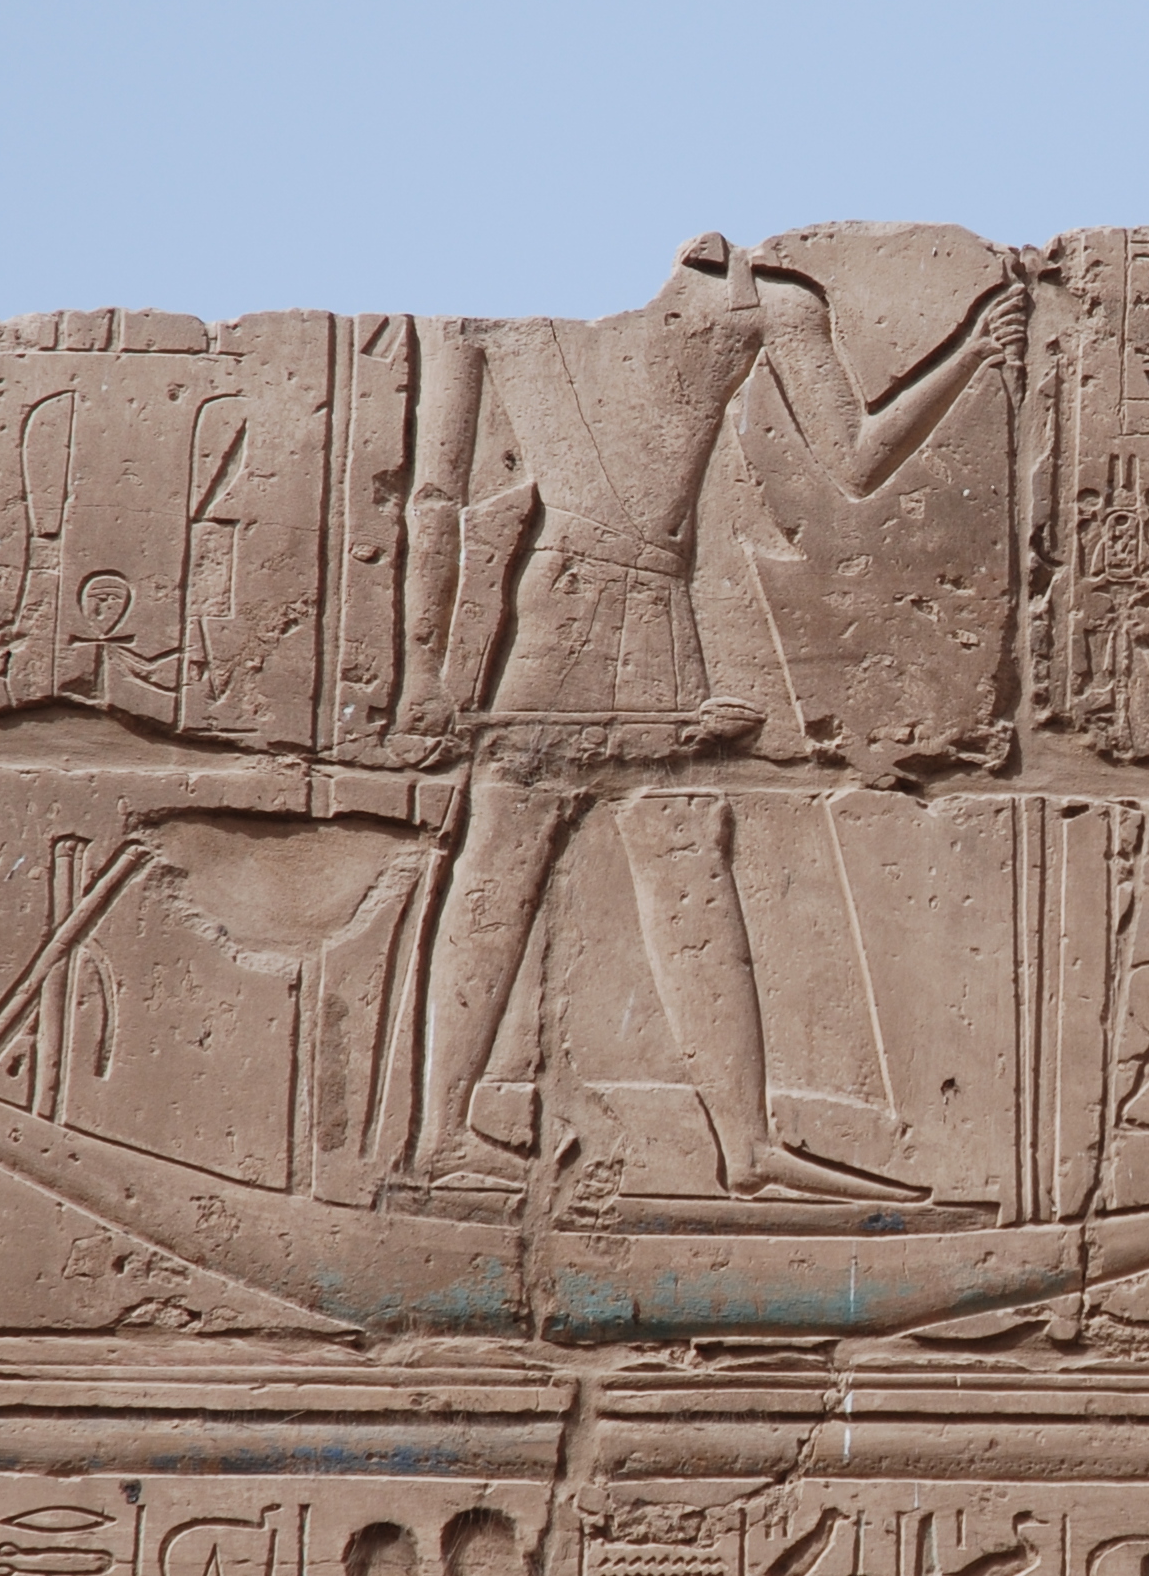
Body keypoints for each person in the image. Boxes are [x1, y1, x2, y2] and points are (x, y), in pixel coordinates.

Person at [405, 235, 1023, 1198]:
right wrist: (972, 354)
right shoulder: (749, 304)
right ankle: (461, 1133)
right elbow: (857, 457)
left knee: (637, 856)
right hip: (596, 618)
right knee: (554, 857)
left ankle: (729, 1143)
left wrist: (426, 666)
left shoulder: (751, 303)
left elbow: (435, 499)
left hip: (617, 611)